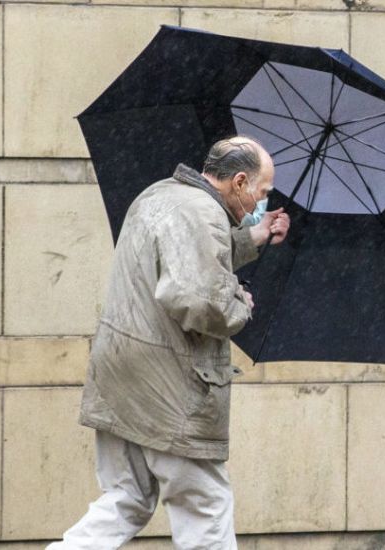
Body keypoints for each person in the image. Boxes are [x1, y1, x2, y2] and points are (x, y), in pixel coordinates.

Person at [48, 136, 290, 549]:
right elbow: (197, 300)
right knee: (205, 508)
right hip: (171, 387)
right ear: (240, 181)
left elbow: (188, 257)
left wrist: (255, 237)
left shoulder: (161, 195)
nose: (260, 204)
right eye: (262, 194)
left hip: (121, 375)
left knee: (127, 498)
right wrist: (240, 304)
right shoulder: (204, 215)